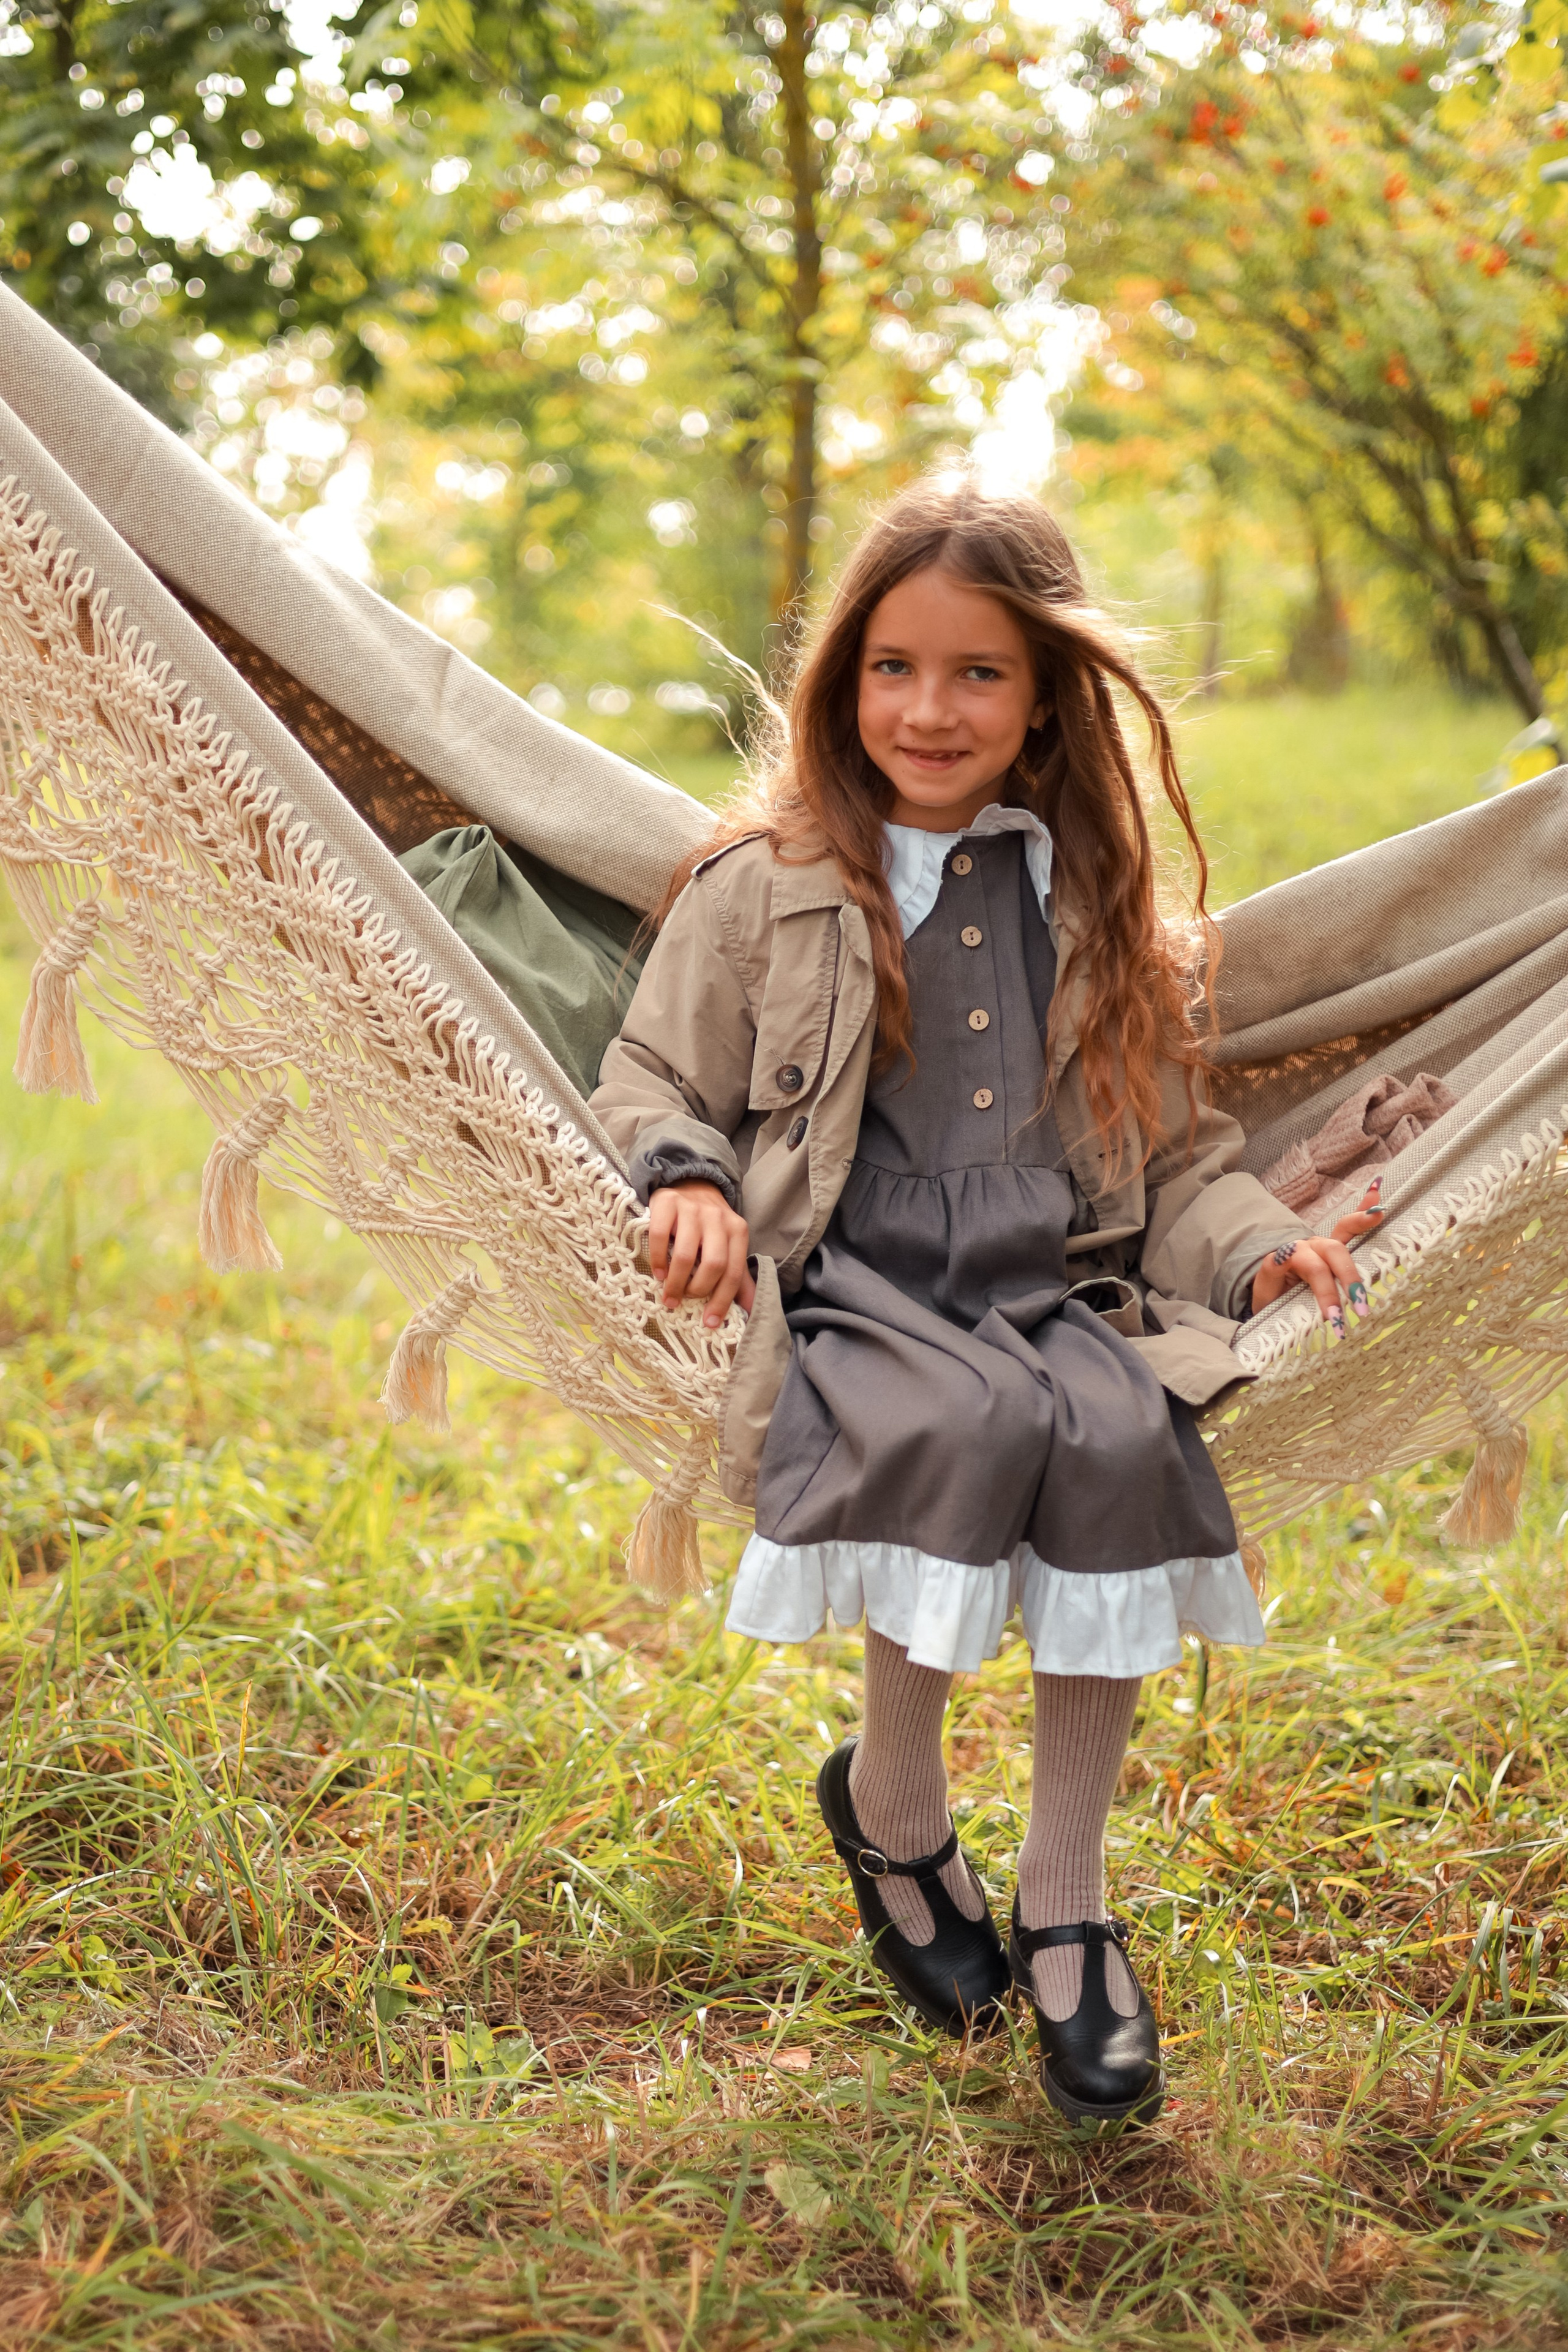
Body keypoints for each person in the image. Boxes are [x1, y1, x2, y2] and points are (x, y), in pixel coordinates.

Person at [589, 477, 1379, 2127]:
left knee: (1122, 1438)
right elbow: (655, 1070)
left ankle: (1066, 1898)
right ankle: (893, 1806)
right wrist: (685, 1176)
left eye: (977, 673)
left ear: (1046, 700)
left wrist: (1255, 1254)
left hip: (1051, 1280)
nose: (928, 710)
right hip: (864, 1281)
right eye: (892, 667)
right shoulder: (764, 887)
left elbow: (1178, 1156)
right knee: (964, 1420)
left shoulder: (1092, 905)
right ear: (841, 683)